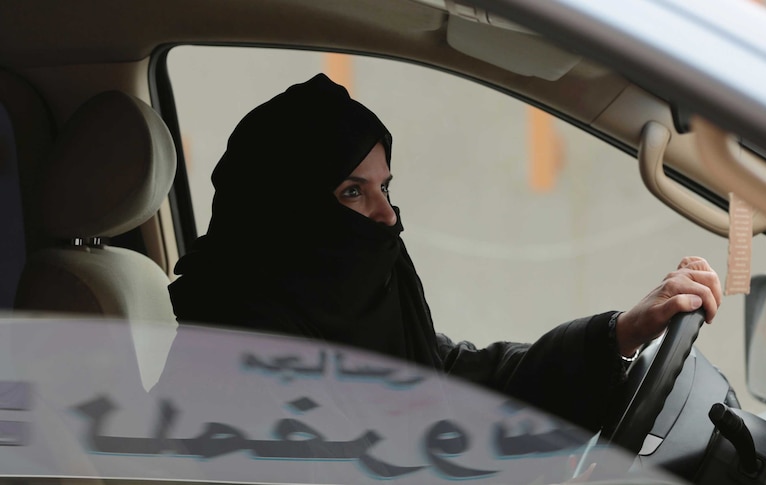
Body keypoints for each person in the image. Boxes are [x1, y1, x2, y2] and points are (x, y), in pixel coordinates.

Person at [168, 73, 722, 433]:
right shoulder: (229, 358)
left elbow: (461, 380)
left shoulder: (355, 321)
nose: (386, 217)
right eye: (352, 192)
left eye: (385, 188)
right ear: (285, 212)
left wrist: (618, 334)